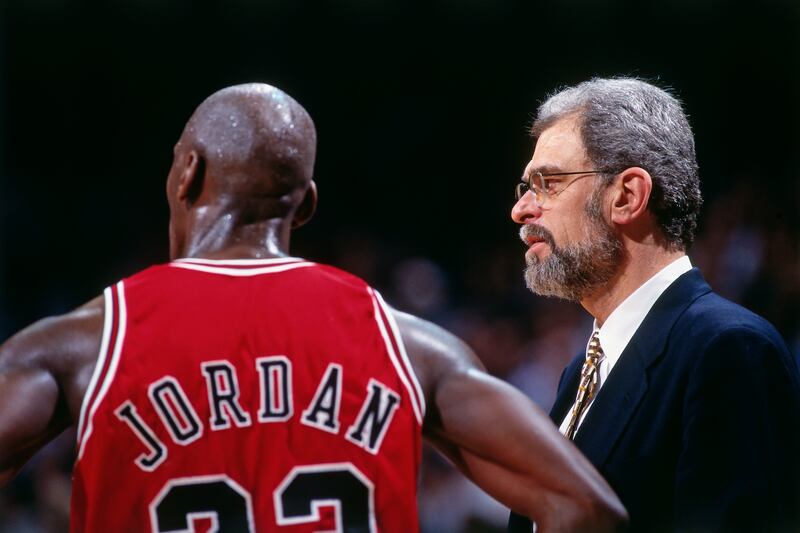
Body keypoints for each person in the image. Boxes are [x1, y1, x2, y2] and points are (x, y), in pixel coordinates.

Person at [0, 83, 626, 532]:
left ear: (186, 174)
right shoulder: (407, 346)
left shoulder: (82, 345)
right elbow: (587, 507)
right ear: (306, 205)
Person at [507, 77, 800, 532]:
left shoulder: (728, 350)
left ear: (627, 195)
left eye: (548, 182)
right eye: (524, 187)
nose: (522, 210)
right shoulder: (578, 373)